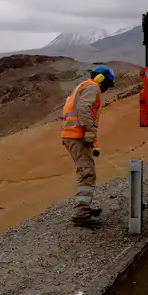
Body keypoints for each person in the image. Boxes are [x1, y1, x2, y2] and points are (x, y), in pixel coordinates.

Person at [60, 65, 115, 226]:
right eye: (108, 83)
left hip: (74, 135)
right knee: (87, 173)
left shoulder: (84, 86)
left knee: (87, 171)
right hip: (77, 136)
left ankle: (84, 208)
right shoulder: (93, 87)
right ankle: (81, 213)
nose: (106, 88)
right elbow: (84, 108)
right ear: (101, 78)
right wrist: (88, 131)